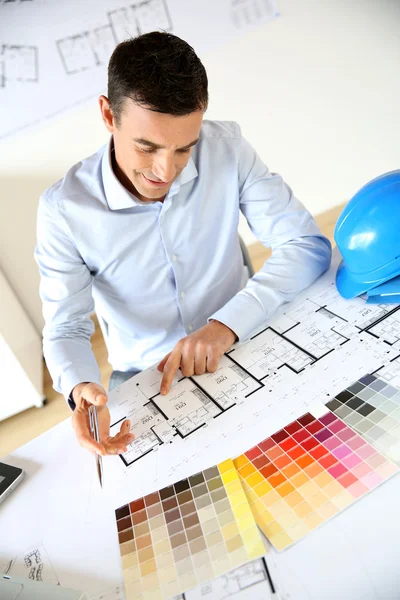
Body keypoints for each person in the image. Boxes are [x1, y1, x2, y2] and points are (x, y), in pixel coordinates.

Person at [35, 32, 331, 457]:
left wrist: (226, 324)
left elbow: (306, 244)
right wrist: (80, 386)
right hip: (144, 371)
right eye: (147, 146)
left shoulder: (227, 148)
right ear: (107, 114)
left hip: (242, 330)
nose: (165, 170)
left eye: (184, 149)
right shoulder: (63, 210)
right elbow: (66, 327)